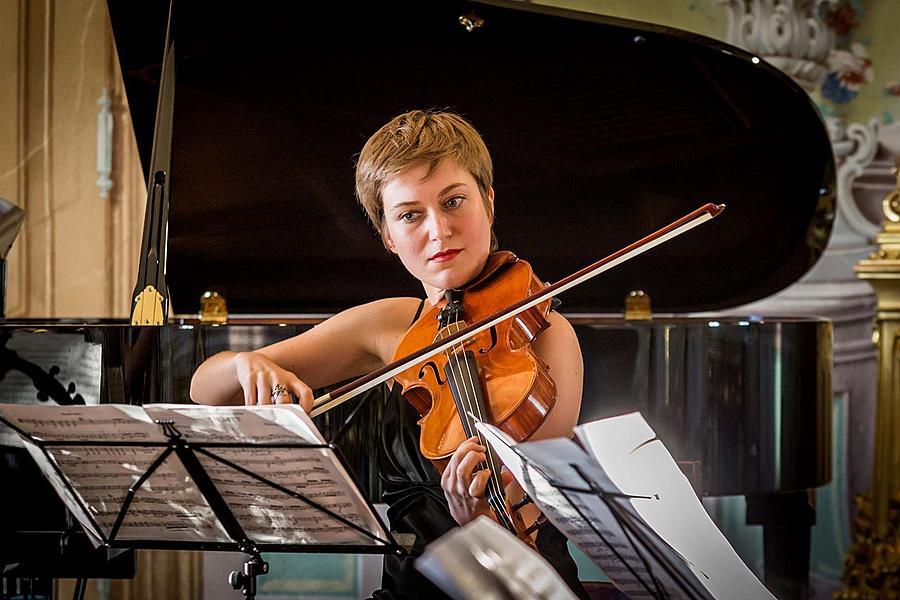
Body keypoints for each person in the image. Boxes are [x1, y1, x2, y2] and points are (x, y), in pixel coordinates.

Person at [190, 109, 588, 599]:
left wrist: (480, 521)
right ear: (387, 235)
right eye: (410, 214)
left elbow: (523, 521)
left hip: (516, 586)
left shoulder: (545, 334)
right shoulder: (391, 325)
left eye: (454, 201)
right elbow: (207, 388)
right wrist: (245, 364)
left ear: (488, 202)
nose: (438, 231)